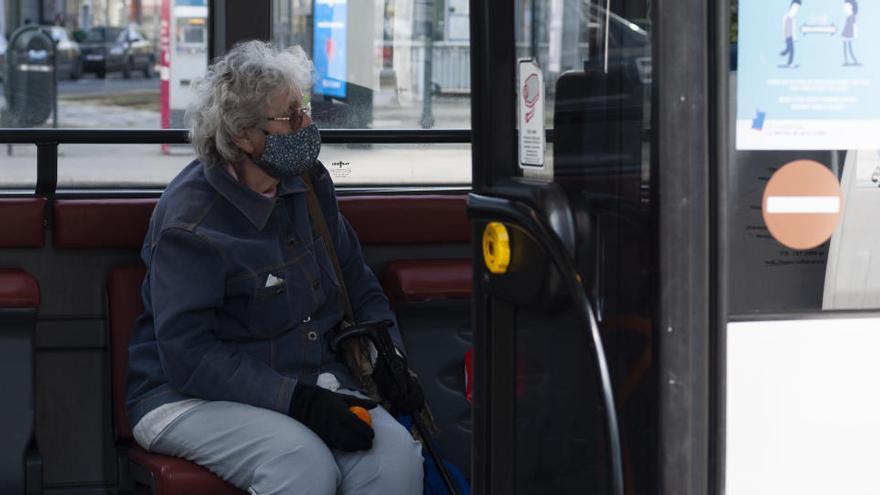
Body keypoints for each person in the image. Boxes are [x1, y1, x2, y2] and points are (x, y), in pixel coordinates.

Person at [125, 40, 424, 495]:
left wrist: (390, 359)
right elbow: (188, 355)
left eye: (303, 109)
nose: (307, 125)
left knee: (395, 460)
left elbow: (356, 282)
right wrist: (296, 401)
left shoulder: (307, 185)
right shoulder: (192, 222)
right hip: (186, 397)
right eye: (291, 116)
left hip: (312, 382)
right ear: (243, 133)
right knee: (301, 463)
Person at [779, 0, 801, 68]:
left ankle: (783, 53)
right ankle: (789, 62)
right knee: (792, 50)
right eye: (795, 8)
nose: (796, 10)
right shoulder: (789, 16)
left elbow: (792, 27)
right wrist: (788, 35)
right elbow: (787, 27)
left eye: (798, 9)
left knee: (789, 49)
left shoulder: (791, 16)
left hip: (789, 35)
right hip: (789, 35)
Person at [842, 0, 860, 66]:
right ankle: (847, 60)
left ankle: (854, 60)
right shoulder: (848, 17)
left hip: (849, 34)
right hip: (846, 34)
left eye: (846, 7)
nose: (844, 9)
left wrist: (855, 34)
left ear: (851, 8)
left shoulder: (852, 17)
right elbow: (846, 26)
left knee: (849, 48)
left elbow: (854, 26)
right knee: (846, 47)